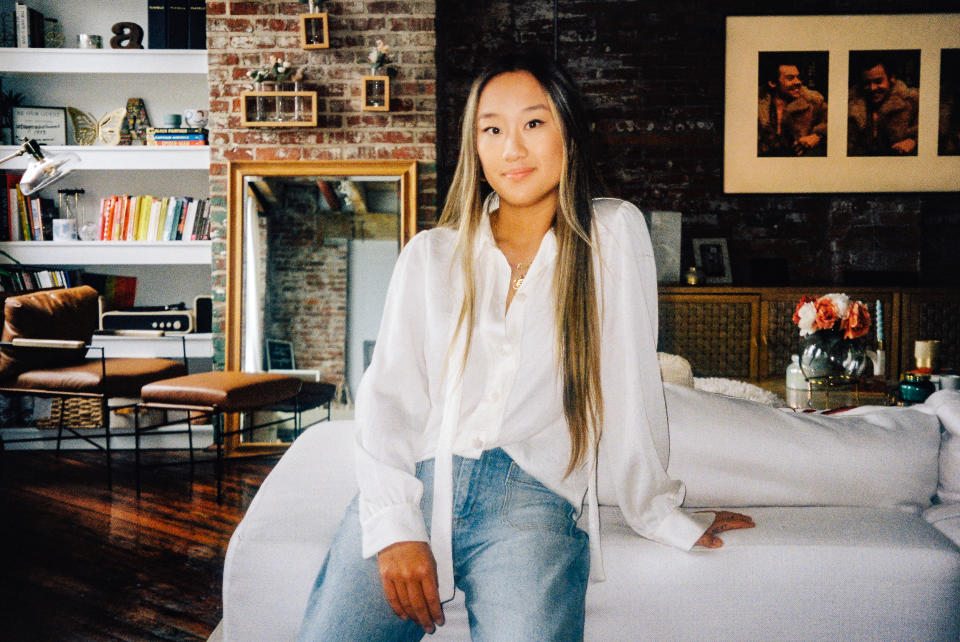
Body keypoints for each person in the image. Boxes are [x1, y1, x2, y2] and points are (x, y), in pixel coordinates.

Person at [297, 52, 754, 641]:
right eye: (493, 129)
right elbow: (388, 403)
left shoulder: (609, 235)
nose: (513, 148)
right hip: (422, 482)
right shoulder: (429, 256)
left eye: (534, 124)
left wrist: (658, 511)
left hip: (531, 503)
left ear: (569, 132)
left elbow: (629, 386)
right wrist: (394, 528)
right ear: (475, 145)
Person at [848, 56, 918, 156]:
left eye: (878, 81)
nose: (872, 88)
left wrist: (914, 141)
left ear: (892, 79)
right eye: (867, 83)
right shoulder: (850, 105)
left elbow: (932, 133)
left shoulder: (912, 103)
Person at [757, 57, 827, 156]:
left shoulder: (813, 103)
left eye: (798, 77)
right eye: (790, 78)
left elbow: (835, 123)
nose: (798, 82)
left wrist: (818, 136)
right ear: (773, 83)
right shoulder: (755, 105)